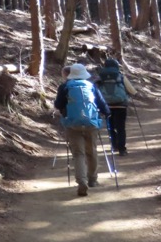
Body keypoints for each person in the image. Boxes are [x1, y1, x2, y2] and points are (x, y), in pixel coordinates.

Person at [54, 63, 111, 196]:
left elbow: (58, 104)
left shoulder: (65, 87)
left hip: (72, 124)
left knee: (78, 154)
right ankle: (93, 179)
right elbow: (102, 104)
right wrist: (107, 113)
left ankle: (82, 181)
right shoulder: (91, 86)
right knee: (91, 151)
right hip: (91, 123)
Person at [96, 58, 137, 156]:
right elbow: (132, 91)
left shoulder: (100, 77)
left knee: (111, 127)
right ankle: (122, 149)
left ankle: (114, 145)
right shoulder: (121, 76)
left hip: (106, 105)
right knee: (120, 128)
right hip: (121, 105)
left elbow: (95, 90)